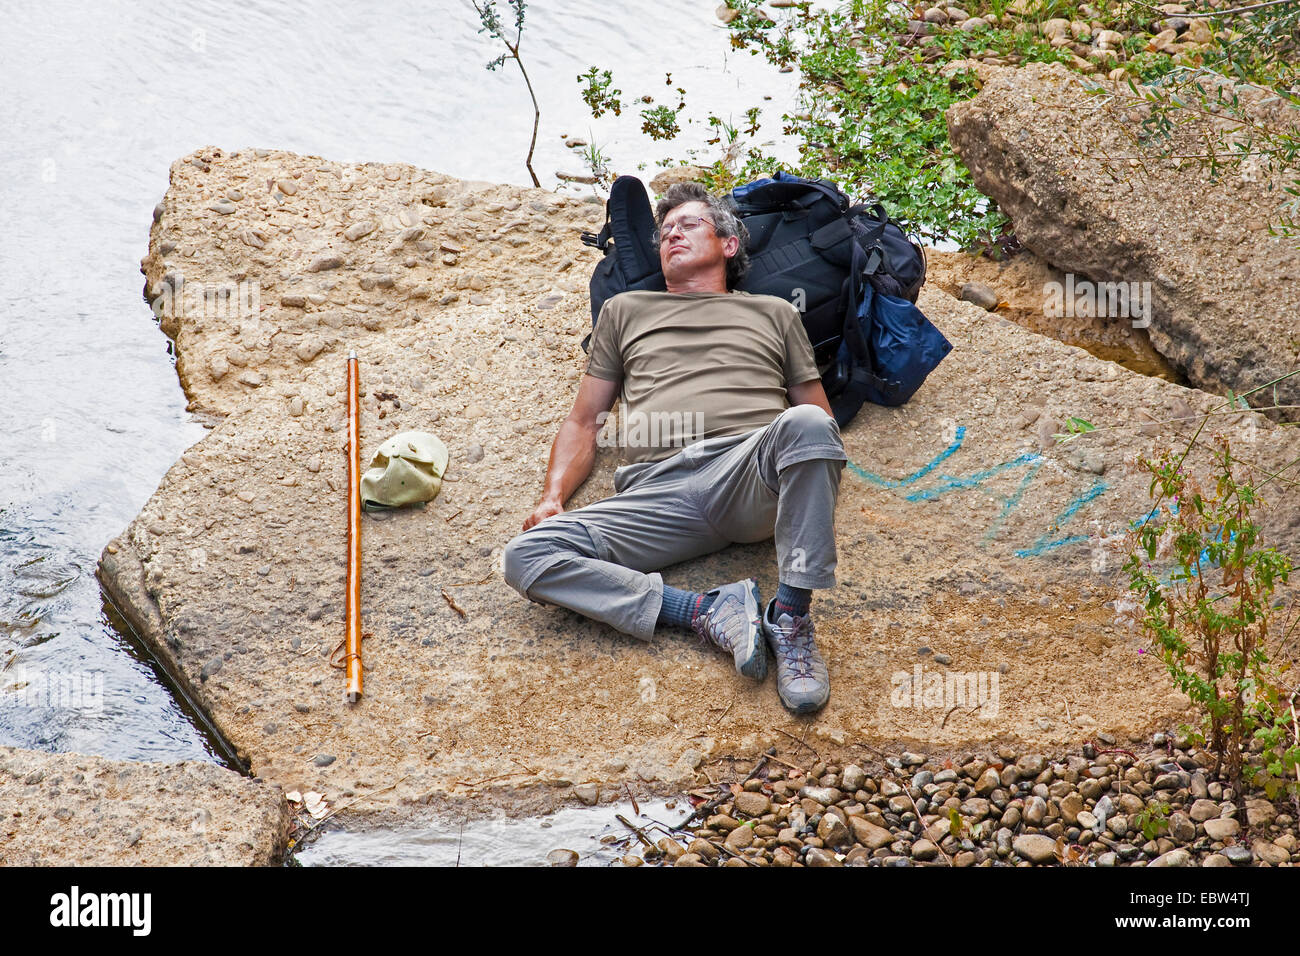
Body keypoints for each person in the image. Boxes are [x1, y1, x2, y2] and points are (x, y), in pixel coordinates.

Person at [501, 182, 846, 714]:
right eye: (664, 232)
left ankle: (791, 614)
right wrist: (552, 498)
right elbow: (584, 421)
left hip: (746, 471)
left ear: (729, 246)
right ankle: (710, 611)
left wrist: (808, 479)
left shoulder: (774, 313)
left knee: (806, 425)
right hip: (657, 491)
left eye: (688, 225)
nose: (672, 235)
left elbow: (820, 421)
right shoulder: (625, 310)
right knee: (528, 555)